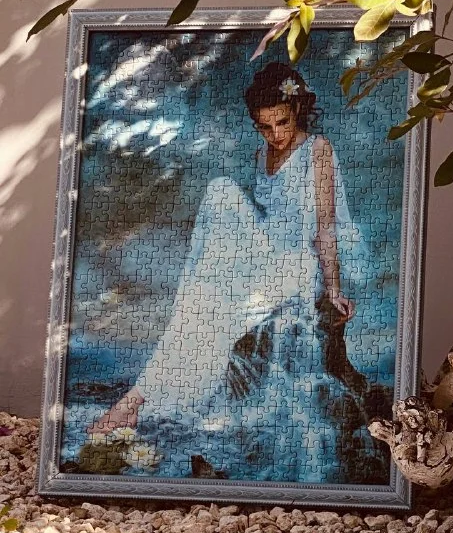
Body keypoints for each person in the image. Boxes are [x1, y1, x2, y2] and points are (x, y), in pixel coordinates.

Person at [87, 62, 373, 480]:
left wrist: (332, 289)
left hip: (298, 264)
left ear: (297, 109)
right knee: (219, 204)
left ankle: (134, 401)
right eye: (264, 126)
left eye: (282, 121)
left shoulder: (319, 150)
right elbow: (263, 220)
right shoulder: (262, 155)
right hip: (267, 256)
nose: (275, 134)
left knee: (220, 235)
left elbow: (325, 227)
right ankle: (141, 397)